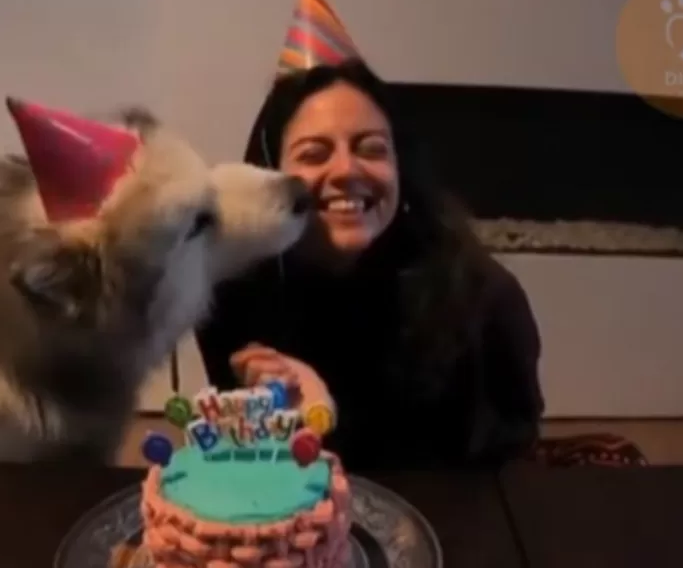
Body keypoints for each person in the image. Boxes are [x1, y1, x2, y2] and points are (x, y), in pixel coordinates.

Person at [195, 57, 544, 471]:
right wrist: (282, 411)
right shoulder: (228, 294)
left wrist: (323, 418)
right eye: (314, 154)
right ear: (270, 174)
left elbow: (508, 458)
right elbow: (250, 463)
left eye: (372, 149)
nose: (346, 169)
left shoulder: (484, 298)